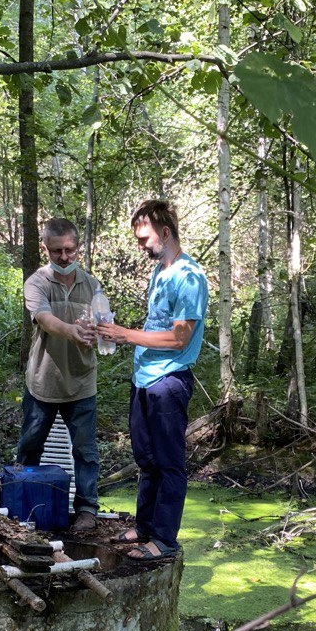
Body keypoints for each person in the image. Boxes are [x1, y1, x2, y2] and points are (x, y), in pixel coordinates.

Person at [97, 199, 208, 559]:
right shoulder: (160, 272)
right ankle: (145, 526)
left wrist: (125, 334)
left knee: (168, 462)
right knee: (146, 458)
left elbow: (179, 338)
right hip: (144, 378)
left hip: (169, 381)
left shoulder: (190, 277)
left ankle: (163, 541)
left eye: (144, 239)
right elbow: (155, 326)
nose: (140, 246)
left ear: (165, 232)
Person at [17, 217, 102, 533]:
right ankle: (22, 502)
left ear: (78, 247)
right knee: (30, 447)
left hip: (82, 381)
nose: (64, 257)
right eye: (57, 251)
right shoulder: (36, 283)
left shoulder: (92, 285)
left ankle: (87, 510)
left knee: (86, 452)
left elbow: (104, 324)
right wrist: (71, 330)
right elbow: (43, 318)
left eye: (69, 250)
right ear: (45, 249)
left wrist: (100, 332)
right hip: (43, 381)